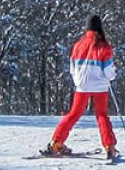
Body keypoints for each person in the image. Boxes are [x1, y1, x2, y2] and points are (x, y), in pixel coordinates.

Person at [42, 15, 118, 162]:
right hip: (100, 86)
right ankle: (109, 146)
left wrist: (78, 80)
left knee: (73, 114)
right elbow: (109, 71)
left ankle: (56, 142)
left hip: (82, 85)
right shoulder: (104, 46)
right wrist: (111, 77)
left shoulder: (78, 45)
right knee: (101, 115)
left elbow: (72, 68)